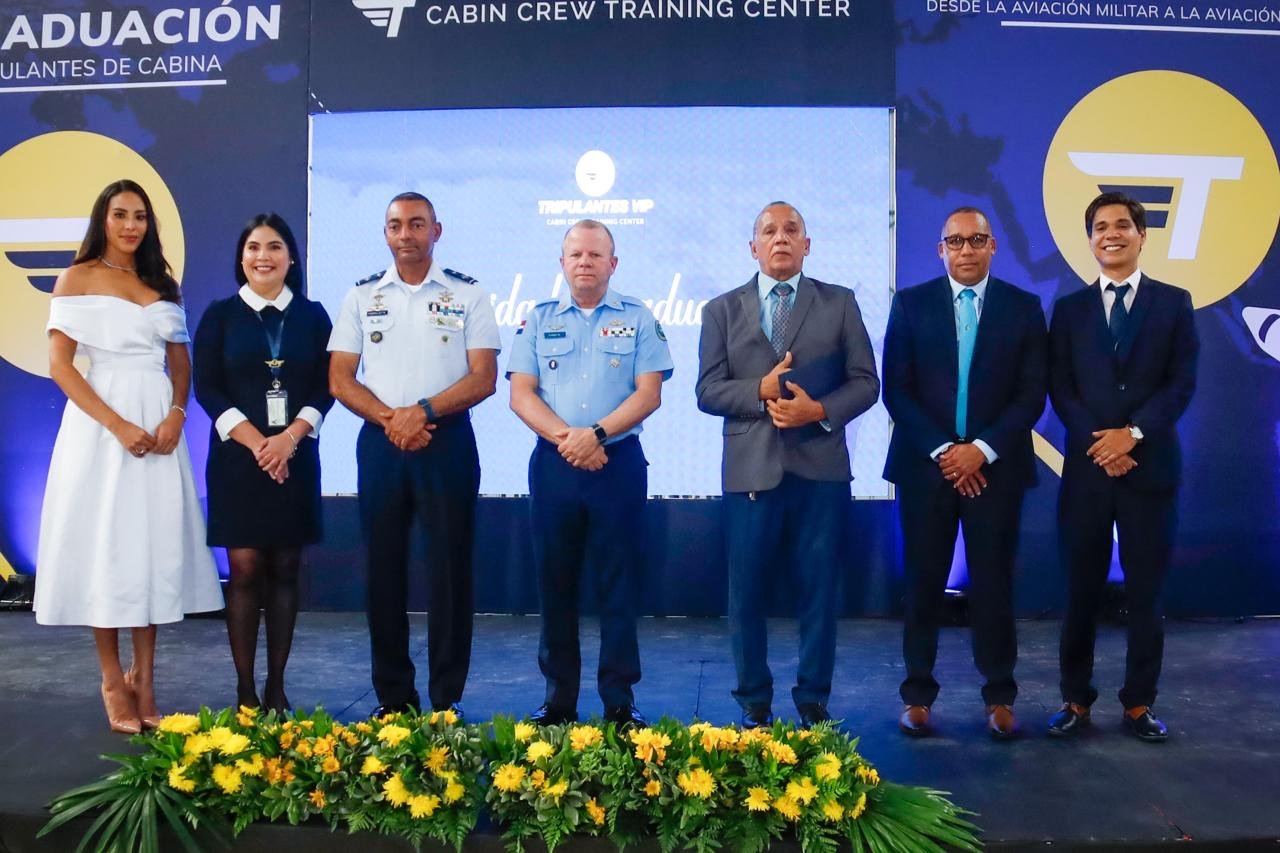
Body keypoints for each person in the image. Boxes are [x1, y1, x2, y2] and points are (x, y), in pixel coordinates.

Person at [34, 179, 223, 733]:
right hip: (101, 428)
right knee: (109, 547)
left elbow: (180, 363)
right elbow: (61, 366)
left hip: (159, 425)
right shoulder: (76, 278)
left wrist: (177, 415)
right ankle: (112, 679)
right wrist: (117, 425)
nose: (130, 225)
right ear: (103, 219)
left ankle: (146, 679)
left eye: (139, 216)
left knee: (150, 547)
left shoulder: (162, 283)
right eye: (120, 215)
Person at [696, 201, 879, 729]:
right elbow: (707, 392)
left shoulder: (839, 303)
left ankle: (813, 697)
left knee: (819, 591)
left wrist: (817, 411)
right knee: (746, 593)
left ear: (806, 244)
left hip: (821, 471)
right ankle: (753, 700)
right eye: (769, 231)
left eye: (791, 230)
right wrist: (760, 389)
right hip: (750, 473)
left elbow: (866, 383)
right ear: (753, 247)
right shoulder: (720, 310)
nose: (781, 238)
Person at [328, 191, 499, 718]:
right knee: (383, 572)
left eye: (417, 224)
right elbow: (339, 378)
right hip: (382, 443)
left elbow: (484, 377)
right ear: (386, 233)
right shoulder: (362, 296)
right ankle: (394, 698)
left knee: (450, 572)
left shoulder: (468, 294)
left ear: (436, 231)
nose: (406, 234)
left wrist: (421, 413)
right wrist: (393, 420)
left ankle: (447, 699)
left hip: (446, 442)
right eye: (396, 225)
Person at [881, 207, 1047, 739]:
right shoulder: (910, 304)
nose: (966, 249)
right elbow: (896, 389)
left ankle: (999, 696)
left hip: (995, 470)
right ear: (941, 250)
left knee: (994, 584)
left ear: (993, 246)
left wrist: (981, 450)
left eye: (977, 240)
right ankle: (917, 695)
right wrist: (945, 452)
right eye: (955, 241)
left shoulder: (1023, 308)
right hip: (925, 468)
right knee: (923, 583)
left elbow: (1031, 393)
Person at [506, 220, 673, 729]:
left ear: (612, 264)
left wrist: (596, 435)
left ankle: (619, 701)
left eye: (595, 255)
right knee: (555, 583)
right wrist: (571, 440)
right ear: (562, 263)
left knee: (619, 585)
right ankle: (559, 700)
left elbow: (649, 393)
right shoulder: (537, 319)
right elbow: (520, 394)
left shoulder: (638, 317)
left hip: (616, 465)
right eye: (576, 254)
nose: (585, 262)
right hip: (555, 465)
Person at [1047, 192, 1198, 742]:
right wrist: (1101, 445)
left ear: (1141, 235)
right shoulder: (1069, 309)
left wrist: (1131, 435)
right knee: (1080, 592)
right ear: (1090, 240)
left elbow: (1181, 382)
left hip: (1149, 467)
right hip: (1089, 471)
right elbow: (1060, 386)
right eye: (1100, 227)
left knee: (1146, 594)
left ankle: (1139, 703)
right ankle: (1075, 699)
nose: (1111, 234)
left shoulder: (1174, 303)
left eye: (1122, 225)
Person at [193, 213, 334, 713]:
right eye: (253, 247)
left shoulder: (313, 316)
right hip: (238, 460)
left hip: (295, 457)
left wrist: (288, 439)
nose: (263, 256)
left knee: (285, 567)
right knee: (246, 568)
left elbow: (326, 386)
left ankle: (277, 686)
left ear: (291, 257)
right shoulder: (220, 316)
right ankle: (245, 690)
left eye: (274, 247)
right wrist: (259, 444)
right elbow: (207, 388)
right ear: (241, 257)